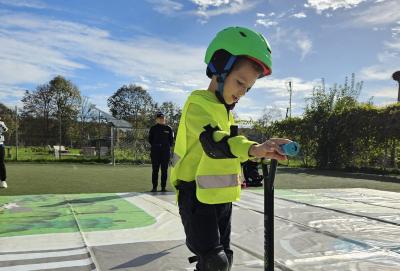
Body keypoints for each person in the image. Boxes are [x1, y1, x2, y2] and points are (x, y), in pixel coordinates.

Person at [170, 26, 292, 271]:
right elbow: (217, 142)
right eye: (239, 82)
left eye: (247, 88)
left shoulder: (226, 113)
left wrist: (262, 154)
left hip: (221, 197)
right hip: (194, 194)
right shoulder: (197, 104)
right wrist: (255, 148)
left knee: (224, 258)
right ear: (219, 68)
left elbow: (234, 151)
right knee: (215, 261)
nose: (242, 93)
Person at [148, 112, 174, 192]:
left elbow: (171, 140)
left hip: (165, 151)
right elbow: (150, 140)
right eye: (159, 118)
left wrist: (165, 146)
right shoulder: (153, 128)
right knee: (155, 170)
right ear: (156, 119)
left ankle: (163, 187)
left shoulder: (169, 128)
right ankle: (154, 187)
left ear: (165, 119)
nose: (161, 119)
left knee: (164, 170)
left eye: (163, 118)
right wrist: (157, 146)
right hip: (155, 151)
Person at [0, 117, 8, 189]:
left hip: (0, 145)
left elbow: (5, 129)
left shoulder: (1, 123)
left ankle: (3, 181)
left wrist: (0, 124)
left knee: (1, 163)